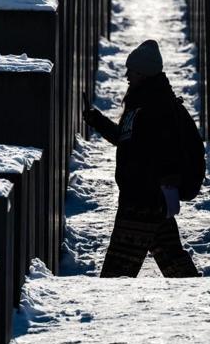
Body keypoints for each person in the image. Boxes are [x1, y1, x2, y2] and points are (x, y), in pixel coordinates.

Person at [83, 39, 200, 278]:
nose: (127, 75)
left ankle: (107, 310)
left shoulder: (157, 107)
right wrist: (97, 121)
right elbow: (127, 140)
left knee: (117, 270)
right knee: (172, 258)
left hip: (143, 200)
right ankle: (198, 293)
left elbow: (167, 150)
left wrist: (166, 186)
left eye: (132, 71)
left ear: (144, 74)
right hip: (145, 196)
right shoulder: (140, 104)